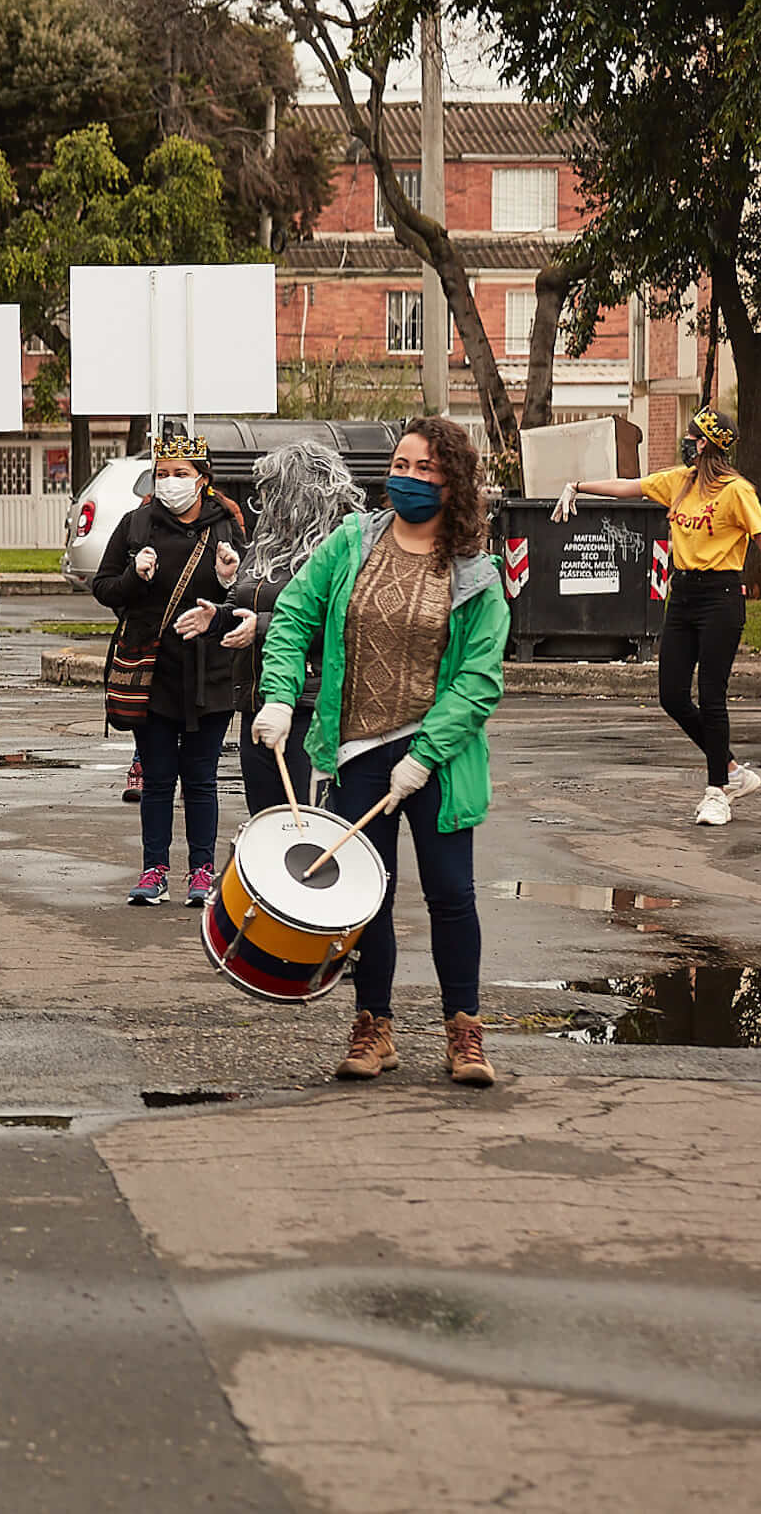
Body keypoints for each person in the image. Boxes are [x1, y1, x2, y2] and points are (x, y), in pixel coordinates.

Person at [255, 416, 509, 1088]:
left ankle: (465, 1031)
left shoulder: (477, 575)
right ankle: (373, 1025)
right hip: (357, 752)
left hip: (439, 759)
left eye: (427, 468)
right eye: (402, 464)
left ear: (452, 482)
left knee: (452, 895)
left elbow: (480, 678)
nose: (410, 477)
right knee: (369, 896)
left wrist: (424, 754)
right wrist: (279, 695)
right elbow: (294, 617)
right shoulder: (349, 544)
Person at [553, 407, 761, 826]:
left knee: (712, 696)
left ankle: (717, 791)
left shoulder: (737, 492)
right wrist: (577, 486)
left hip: (721, 597)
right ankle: (732, 770)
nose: (686, 442)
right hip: (682, 596)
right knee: (672, 695)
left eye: (691, 436)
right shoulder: (679, 483)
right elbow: (631, 488)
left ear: (706, 445)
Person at [90, 433, 241, 907]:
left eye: (181, 474)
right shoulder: (137, 525)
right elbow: (104, 588)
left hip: (210, 671)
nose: (171, 483)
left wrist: (229, 579)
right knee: (157, 777)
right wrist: (135, 577)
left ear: (203, 480)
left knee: (201, 777)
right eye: (164, 474)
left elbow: (250, 597)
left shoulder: (226, 527)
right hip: (149, 671)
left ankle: (202, 871)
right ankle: (154, 869)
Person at [221, 441, 366, 815]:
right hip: (258, 698)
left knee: (309, 820)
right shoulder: (266, 542)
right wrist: (222, 603)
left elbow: (341, 619)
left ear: (300, 492)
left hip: (308, 705)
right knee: (266, 820)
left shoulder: (340, 545)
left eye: (273, 490)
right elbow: (247, 602)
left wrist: (263, 626)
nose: (263, 501)